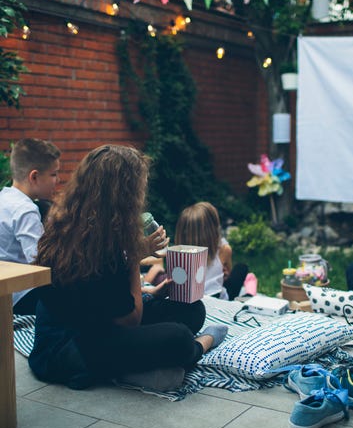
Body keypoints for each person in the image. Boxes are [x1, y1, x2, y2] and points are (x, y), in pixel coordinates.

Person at [29, 145, 227, 390]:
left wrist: (149, 293)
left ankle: (134, 368)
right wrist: (134, 255)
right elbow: (130, 320)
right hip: (68, 349)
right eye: (138, 188)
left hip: (96, 324)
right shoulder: (98, 240)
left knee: (192, 309)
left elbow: (100, 298)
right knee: (178, 338)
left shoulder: (79, 220)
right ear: (123, 193)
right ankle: (201, 345)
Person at [0, 138, 61, 315]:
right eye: (53, 174)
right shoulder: (25, 209)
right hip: (20, 297)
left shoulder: (4, 197)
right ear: (34, 176)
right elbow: (40, 262)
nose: (57, 180)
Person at [173, 201, 248, 301]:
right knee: (241, 268)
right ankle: (250, 291)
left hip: (190, 299)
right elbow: (228, 275)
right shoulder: (224, 249)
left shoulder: (179, 254)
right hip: (217, 298)